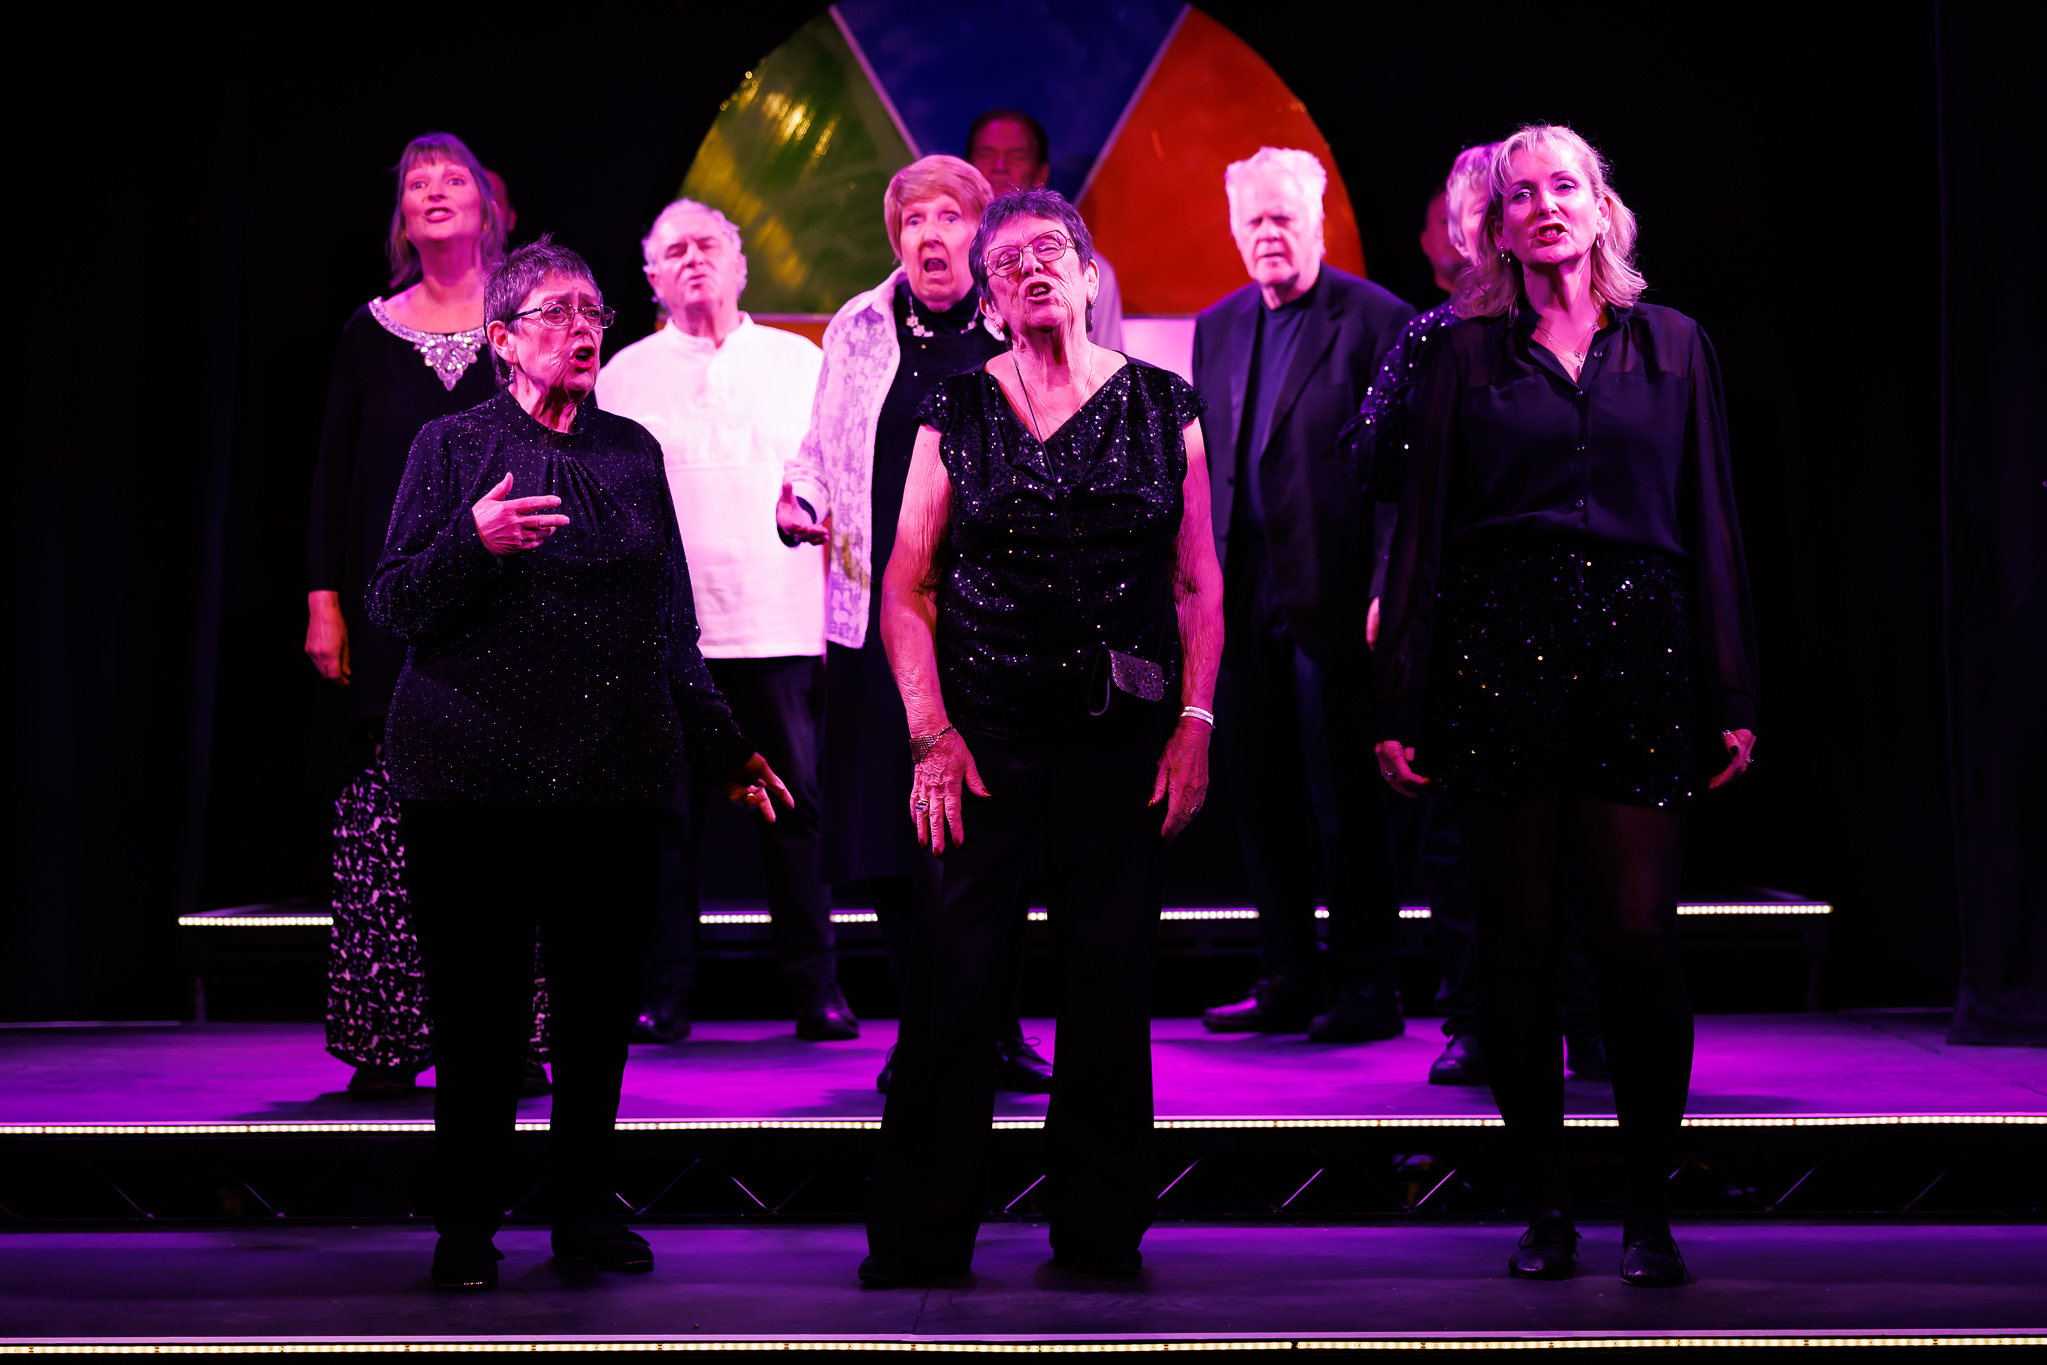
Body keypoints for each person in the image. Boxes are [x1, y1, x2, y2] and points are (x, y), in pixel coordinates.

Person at [367, 237, 792, 1291]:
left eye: (593, 311)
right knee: (481, 1013)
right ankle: (467, 1225)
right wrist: (472, 543)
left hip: (611, 772)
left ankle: (585, 1213)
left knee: (599, 1013)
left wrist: (723, 742)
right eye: (554, 312)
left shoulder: (631, 453)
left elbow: (670, 624)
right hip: (469, 774)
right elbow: (393, 604)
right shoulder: (450, 446)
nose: (581, 328)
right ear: (503, 340)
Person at [1374, 125, 1759, 1288]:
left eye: (1563, 188)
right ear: (1494, 227)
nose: (1542, 207)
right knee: (1518, 945)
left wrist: (1730, 686)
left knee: (1637, 936)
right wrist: (1401, 698)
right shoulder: (1459, 355)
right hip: (1500, 654)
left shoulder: (1673, 345)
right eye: (1520, 195)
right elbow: (1423, 532)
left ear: (1600, 210)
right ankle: (1543, 1209)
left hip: (1642, 652)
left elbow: (1710, 519)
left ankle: (1648, 1212)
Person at [858, 187, 1223, 1284]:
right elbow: (907, 584)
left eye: (1048, 250)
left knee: (1109, 983)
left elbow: (1196, 583)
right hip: (983, 742)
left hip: (1120, 742)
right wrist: (929, 733)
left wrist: (1195, 723)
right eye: (1004, 260)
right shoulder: (954, 407)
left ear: (1088, 272)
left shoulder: (1163, 403)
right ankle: (922, 1235)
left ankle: (1100, 1230)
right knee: (954, 986)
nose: (1029, 269)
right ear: (988, 295)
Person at [779, 155, 1052, 1095]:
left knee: (990, 833)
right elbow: (822, 450)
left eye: (949, 217)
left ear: (980, 230)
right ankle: (925, 1030)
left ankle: (997, 1030)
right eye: (913, 221)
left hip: (997, 617)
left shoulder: (1015, 317)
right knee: (892, 841)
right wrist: (799, 498)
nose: (930, 236)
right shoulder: (859, 326)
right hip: (877, 615)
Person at [1344, 144, 1613, 1089]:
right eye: (1485, 212)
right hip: (1466, 614)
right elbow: (1373, 465)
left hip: (1586, 613)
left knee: (1586, 834)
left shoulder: (1601, 336)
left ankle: (1588, 1017)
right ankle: (1474, 1020)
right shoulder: (1435, 338)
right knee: (1465, 839)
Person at [305, 132, 553, 1101]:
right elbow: (333, 475)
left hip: (513, 602)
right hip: (392, 606)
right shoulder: (366, 334)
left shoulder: (526, 317)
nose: (436, 191)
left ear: (487, 206)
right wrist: (323, 600)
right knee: (389, 816)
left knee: (513, 819)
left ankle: (511, 1034)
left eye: (454, 179)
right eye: (418, 182)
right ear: (402, 216)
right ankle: (389, 1033)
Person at [597, 199, 853, 1044]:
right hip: (664, 636)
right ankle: (664, 992)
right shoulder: (622, 374)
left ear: (741, 264)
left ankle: (816, 987)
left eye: (709, 244)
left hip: (779, 622)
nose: (694, 259)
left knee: (796, 812)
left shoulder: (799, 361)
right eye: (674, 250)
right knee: (667, 821)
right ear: (651, 278)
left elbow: (836, 480)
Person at [1189, 147, 1416, 1041]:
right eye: (1252, 220)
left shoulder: (1377, 319)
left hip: (1335, 590)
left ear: (1317, 222)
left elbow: (1399, 477)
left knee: (1344, 797)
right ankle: (1286, 970)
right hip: (1241, 590)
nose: (1267, 234)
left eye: (1282, 217)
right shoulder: (1218, 324)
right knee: (1260, 788)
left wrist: (1387, 582)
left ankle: (1368, 985)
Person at [966, 108, 1123, 351]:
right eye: (986, 155)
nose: (999, 166)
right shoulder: (947, 266)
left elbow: (1110, 362)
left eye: (1016, 156)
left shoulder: (1085, 269)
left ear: (1042, 174)